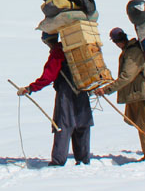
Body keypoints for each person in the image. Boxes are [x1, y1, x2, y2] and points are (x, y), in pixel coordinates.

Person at [15, 32, 92, 166]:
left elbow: (48, 76)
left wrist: (30, 88)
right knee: (82, 124)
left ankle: (58, 161)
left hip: (66, 92)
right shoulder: (76, 48)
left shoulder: (58, 52)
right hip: (83, 89)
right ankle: (83, 159)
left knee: (63, 124)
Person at [102, 27, 145, 161]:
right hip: (140, 94)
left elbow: (127, 76)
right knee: (144, 126)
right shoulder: (131, 50)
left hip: (143, 94)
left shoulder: (133, 52)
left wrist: (107, 89)